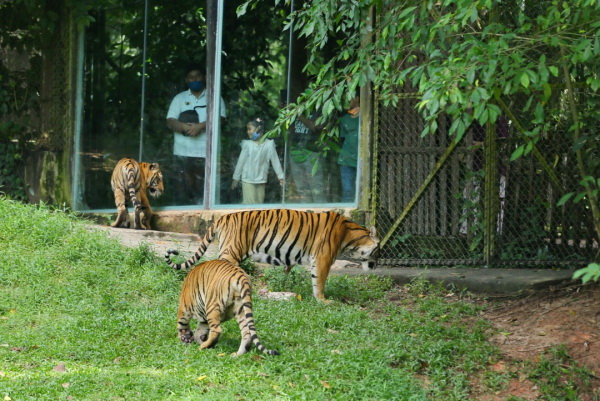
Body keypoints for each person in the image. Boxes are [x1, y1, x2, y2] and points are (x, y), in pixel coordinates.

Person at [166, 62, 226, 205]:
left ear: (204, 77)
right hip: (182, 151)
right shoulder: (179, 98)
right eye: (191, 77)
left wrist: (201, 126)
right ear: (186, 80)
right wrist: (184, 127)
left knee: (203, 190)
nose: (194, 80)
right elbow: (170, 121)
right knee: (182, 189)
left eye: (197, 76)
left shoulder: (214, 97)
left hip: (205, 152)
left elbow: (221, 119)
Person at [232, 118, 284, 204]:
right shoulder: (247, 145)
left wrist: (281, 177)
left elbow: (275, 162)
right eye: (247, 129)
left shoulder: (269, 144)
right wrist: (235, 178)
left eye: (250, 129)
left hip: (261, 179)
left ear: (258, 129)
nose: (248, 132)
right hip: (247, 179)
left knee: (259, 204)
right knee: (249, 204)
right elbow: (240, 162)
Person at [287, 109, 327, 203]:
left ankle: (322, 215)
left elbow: (314, 127)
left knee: (317, 189)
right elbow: (290, 131)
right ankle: (306, 216)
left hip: (311, 153)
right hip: (295, 152)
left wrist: (298, 114)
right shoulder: (299, 111)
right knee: (302, 191)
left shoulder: (318, 109)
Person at [338, 94, 360, 202]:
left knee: (362, 191)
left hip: (361, 159)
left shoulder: (365, 117)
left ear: (357, 98)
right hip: (346, 159)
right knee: (347, 191)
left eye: (350, 96)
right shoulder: (345, 118)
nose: (347, 99)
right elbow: (342, 139)